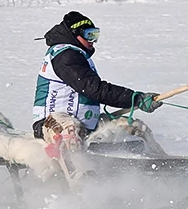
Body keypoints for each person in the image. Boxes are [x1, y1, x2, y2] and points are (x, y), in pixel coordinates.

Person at [32, 12, 162, 155]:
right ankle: (80, 173)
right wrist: (135, 98)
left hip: (85, 124)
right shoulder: (66, 56)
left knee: (136, 127)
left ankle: (162, 161)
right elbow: (94, 89)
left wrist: (138, 100)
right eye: (89, 35)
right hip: (51, 123)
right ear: (75, 33)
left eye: (95, 35)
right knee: (70, 131)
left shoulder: (77, 54)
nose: (93, 40)